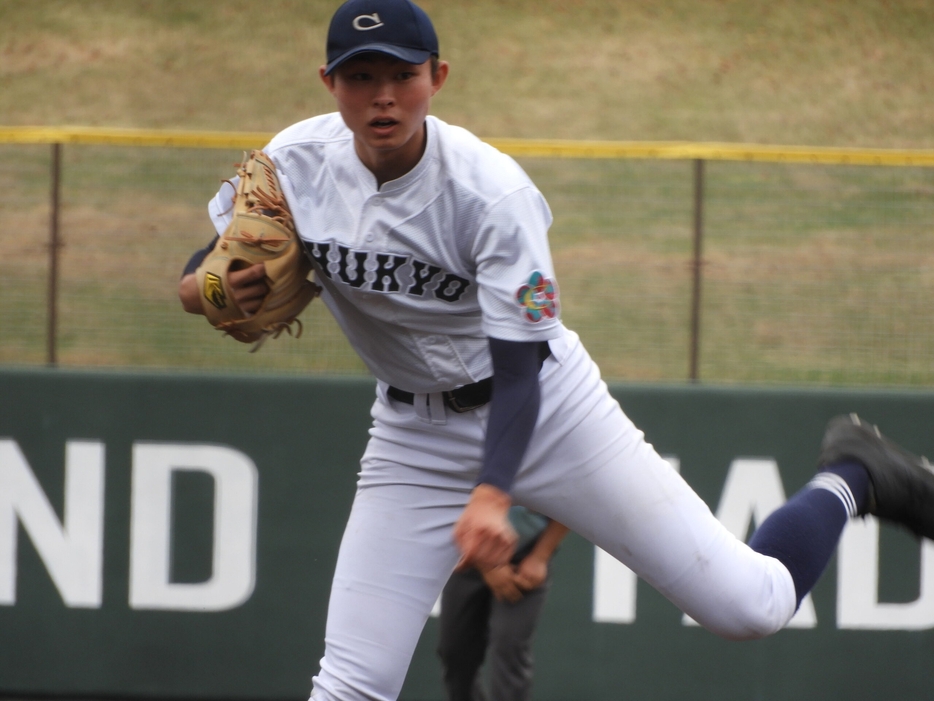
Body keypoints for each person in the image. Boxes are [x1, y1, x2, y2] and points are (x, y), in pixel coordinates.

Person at [178, 1, 934, 699]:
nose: (383, 95)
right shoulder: (295, 161)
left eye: (403, 75)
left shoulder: (490, 193)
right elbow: (203, 268)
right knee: (349, 681)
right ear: (328, 82)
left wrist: (492, 490)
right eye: (360, 75)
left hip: (548, 412)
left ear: (437, 78)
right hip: (412, 435)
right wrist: (210, 290)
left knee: (751, 605)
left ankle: (855, 474)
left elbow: (520, 362)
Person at [437, 508, 569, 701]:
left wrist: (540, 557)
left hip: (527, 561)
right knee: (454, 652)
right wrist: (489, 566)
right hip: (469, 556)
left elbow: (568, 502)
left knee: (509, 648)